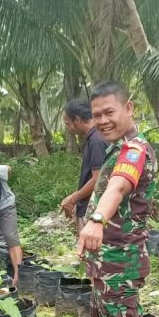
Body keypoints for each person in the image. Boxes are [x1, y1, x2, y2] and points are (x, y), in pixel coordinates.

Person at [77, 81, 159, 317]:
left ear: (129, 108)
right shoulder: (116, 148)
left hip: (120, 263)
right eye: (96, 115)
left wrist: (96, 219)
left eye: (109, 112)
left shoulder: (134, 151)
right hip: (105, 263)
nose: (102, 120)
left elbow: (119, 185)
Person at [60, 99, 108, 232]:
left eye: (68, 124)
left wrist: (73, 198)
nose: (68, 128)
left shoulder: (96, 141)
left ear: (77, 120)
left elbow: (98, 178)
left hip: (93, 210)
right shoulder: (96, 137)